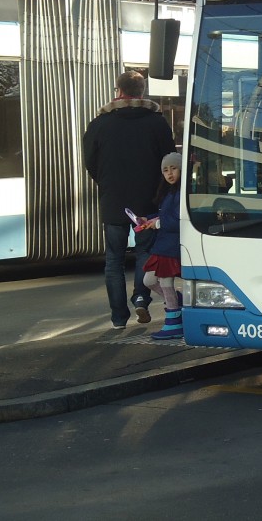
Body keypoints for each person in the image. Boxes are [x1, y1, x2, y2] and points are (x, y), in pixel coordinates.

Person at [83, 70, 175, 329]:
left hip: (113, 202)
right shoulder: (157, 122)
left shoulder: (100, 123)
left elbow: (90, 161)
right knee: (145, 251)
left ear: (118, 90)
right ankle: (141, 301)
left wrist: (107, 184)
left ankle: (118, 319)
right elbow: (169, 160)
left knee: (114, 260)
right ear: (142, 91)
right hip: (147, 201)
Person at [138, 152, 184, 340]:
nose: (170, 173)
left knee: (165, 281)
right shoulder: (169, 192)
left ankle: (174, 321)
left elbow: (178, 220)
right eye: (165, 170)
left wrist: (156, 223)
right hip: (163, 245)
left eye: (173, 168)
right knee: (149, 281)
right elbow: (166, 217)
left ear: (182, 169)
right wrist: (147, 220)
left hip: (171, 246)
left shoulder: (181, 193)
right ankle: (176, 300)